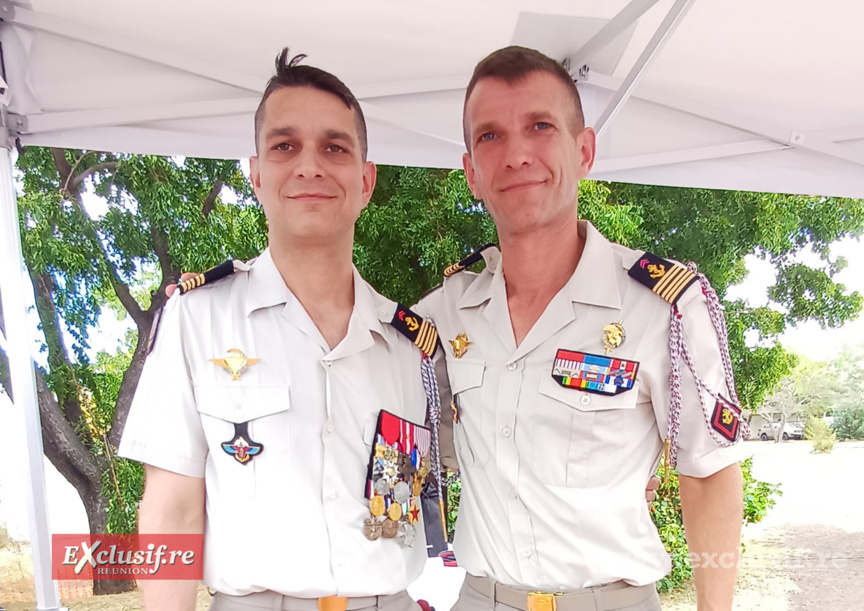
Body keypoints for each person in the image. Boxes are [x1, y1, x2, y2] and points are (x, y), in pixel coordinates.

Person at [416, 46, 749, 611]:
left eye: (540, 126)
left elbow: (709, 472)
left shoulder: (663, 306)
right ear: (471, 171)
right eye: (490, 136)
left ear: (585, 150)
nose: (517, 153)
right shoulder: (441, 314)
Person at [119, 49, 444, 611]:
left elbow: (407, 505)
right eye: (285, 146)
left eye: (335, 148)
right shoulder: (198, 321)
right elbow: (171, 511)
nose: (309, 166)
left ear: (366, 180)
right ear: (256, 174)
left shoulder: (408, 345)